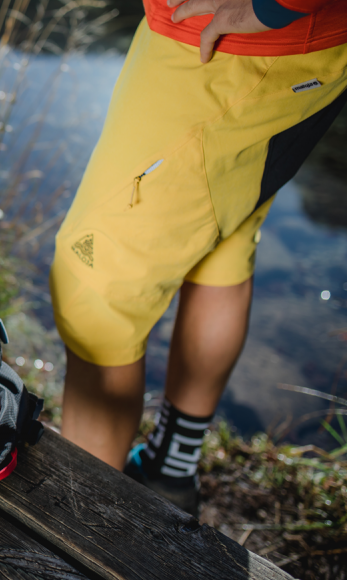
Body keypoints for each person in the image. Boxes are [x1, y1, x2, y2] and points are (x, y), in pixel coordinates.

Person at [49, 0, 347, 515]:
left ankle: (82, 530)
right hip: (293, 55)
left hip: (228, 53)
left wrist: (272, 8)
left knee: (95, 293)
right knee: (223, 245)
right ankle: (170, 469)